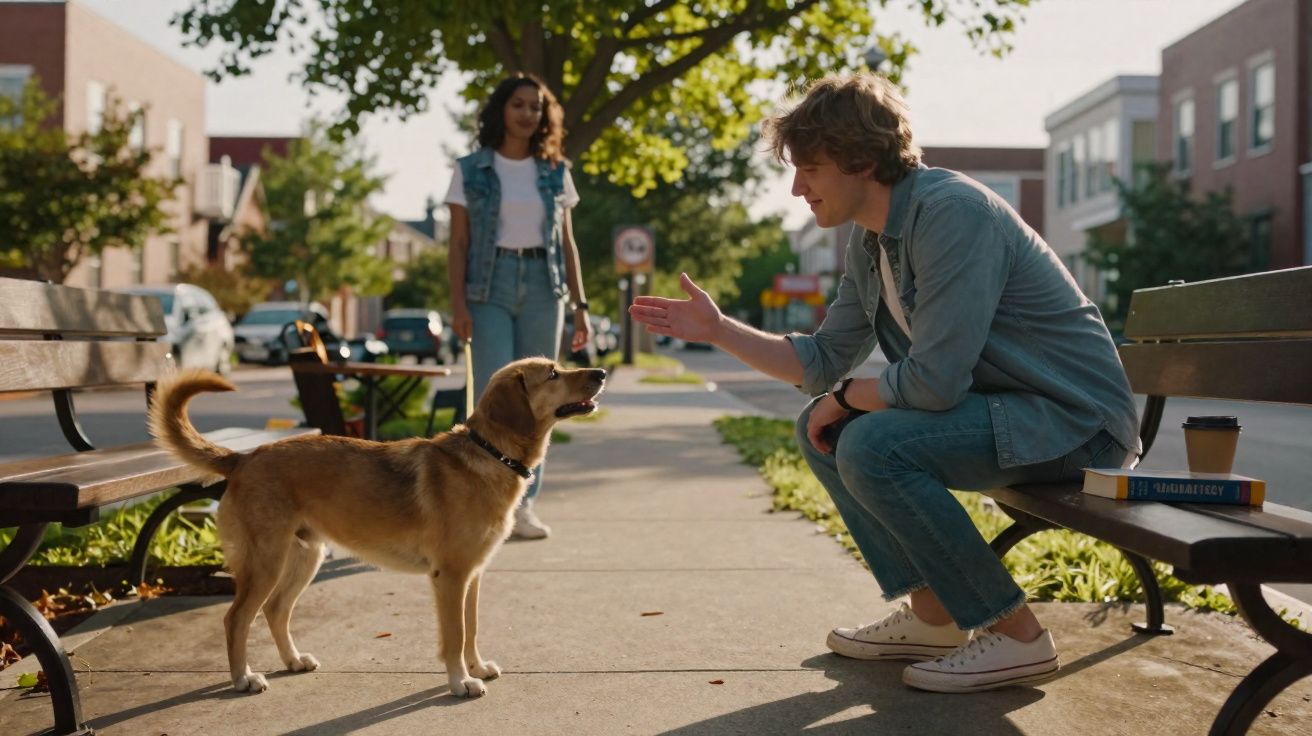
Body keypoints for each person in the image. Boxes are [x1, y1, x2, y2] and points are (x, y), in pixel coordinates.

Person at [629, 73, 1141, 693]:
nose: (797, 189)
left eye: (810, 169)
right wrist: (718, 330)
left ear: (863, 161)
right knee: (822, 428)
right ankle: (935, 617)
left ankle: (1017, 637)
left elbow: (935, 383)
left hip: (1076, 427)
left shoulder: (952, 214)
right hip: (1010, 416)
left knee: (871, 442)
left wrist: (847, 398)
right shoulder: (871, 241)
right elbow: (822, 361)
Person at [445, 72, 592, 540]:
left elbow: (567, 243)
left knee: (546, 398)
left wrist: (581, 306)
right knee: (496, 396)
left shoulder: (555, 171)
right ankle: (480, 499)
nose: (528, 113)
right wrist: (458, 304)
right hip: (488, 288)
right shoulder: (471, 169)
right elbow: (458, 242)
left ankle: (523, 504)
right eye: (519, 105)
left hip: (544, 287)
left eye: (536, 107)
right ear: (501, 111)